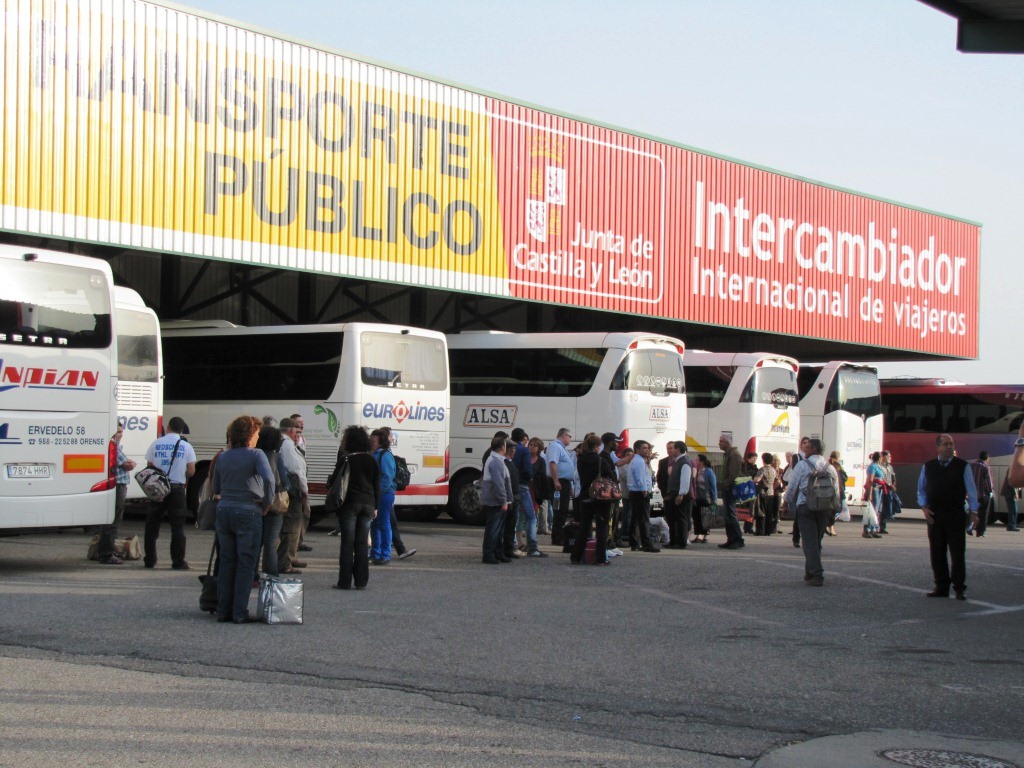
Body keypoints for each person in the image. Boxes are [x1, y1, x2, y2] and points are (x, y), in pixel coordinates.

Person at [211, 415, 274, 623]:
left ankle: (223, 610)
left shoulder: (223, 456)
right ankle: (239, 612)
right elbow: (269, 479)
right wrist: (266, 502)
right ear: (250, 435)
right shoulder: (256, 455)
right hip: (248, 510)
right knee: (246, 563)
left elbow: (216, 488)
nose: (257, 437)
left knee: (227, 561)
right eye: (256, 433)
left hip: (224, 510)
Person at [918, 434, 979, 600]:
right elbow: (921, 489)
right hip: (935, 514)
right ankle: (941, 586)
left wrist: (974, 512)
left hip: (955, 513)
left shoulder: (962, 466)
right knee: (937, 551)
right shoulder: (928, 466)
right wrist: (924, 507)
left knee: (957, 553)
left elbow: (971, 491)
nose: (949, 447)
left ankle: (959, 588)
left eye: (951, 444)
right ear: (937, 447)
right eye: (945, 444)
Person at [784, 438, 840, 587]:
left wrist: (787, 501)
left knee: (809, 542)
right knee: (816, 540)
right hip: (824, 508)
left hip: (805, 506)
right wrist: (834, 509)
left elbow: (792, 487)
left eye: (807, 448)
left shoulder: (802, 465)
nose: (805, 451)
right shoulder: (830, 467)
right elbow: (836, 491)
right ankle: (810, 572)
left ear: (814, 449)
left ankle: (816, 574)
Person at [143, 416, 196, 570]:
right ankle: (178, 561)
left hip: (158, 488)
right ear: (182, 430)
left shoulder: (156, 443)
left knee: (152, 525)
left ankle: (150, 559)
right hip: (177, 488)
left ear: (168, 427)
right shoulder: (186, 446)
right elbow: (192, 471)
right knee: (177, 527)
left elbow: (149, 466)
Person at [331, 425, 380, 590]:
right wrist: (376, 506)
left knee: (347, 543)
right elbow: (376, 485)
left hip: (350, 504)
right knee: (361, 543)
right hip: (368, 504)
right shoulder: (372, 460)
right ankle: (361, 581)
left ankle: (344, 581)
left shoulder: (346, 459)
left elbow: (334, 481)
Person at [572, 434, 617, 564]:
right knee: (601, 527)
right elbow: (612, 477)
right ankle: (600, 558)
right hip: (600, 497)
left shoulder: (581, 460)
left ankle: (575, 556)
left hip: (585, 495)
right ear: (596, 446)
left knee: (584, 526)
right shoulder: (600, 461)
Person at [95, 425, 136, 565]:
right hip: (117, 485)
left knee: (113, 520)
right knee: (112, 520)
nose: (120, 435)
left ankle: (107, 551)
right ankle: (107, 553)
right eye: (118, 432)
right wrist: (130, 463)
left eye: (121, 432)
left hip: (117, 484)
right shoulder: (113, 446)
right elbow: (128, 464)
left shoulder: (116, 446)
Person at [276, 417, 308, 575]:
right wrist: (305, 489)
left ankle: (290, 556)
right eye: (297, 432)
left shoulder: (283, 442)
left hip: (288, 488)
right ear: (290, 430)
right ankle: (286, 561)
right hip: (293, 489)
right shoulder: (287, 444)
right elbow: (296, 469)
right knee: (291, 527)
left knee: (291, 526)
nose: (298, 435)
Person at [255, 425, 286, 577]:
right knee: (271, 541)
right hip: (274, 504)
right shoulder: (277, 457)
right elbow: (285, 481)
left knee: (256, 541)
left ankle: (252, 573)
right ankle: (271, 574)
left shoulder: (255, 455)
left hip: (256, 502)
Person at [481, 436, 513, 564]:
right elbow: (499, 483)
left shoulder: (496, 459)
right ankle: (489, 554)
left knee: (498, 529)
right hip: (495, 500)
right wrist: (503, 500)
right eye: (506, 445)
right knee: (493, 529)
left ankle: (498, 552)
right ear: (502, 447)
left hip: (495, 500)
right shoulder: (496, 461)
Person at [371, 427, 398, 565]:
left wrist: (378, 493)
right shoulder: (375, 454)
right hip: (378, 494)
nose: (372, 443)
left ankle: (385, 554)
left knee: (383, 523)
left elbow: (387, 477)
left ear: (381, 442)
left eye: (374, 441)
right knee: (375, 524)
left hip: (384, 494)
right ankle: (375, 552)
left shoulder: (385, 455)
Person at [547, 427, 576, 546]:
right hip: (559, 482)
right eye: (570, 436)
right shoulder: (555, 446)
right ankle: (557, 537)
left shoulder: (561, 448)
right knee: (559, 510)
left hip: (564, 482)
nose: (570, 439)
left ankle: (559, 536)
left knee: (563, 510)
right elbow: (553, 463)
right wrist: (556, 481)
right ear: (564, 435)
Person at [627, 440, 657, 552]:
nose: (647, 450)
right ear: (637, 449)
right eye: (644, 448)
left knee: (635, 518)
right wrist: (644, 491)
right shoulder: (638, 462)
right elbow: (640, 478)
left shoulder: (639, 461)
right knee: (644, 519)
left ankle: (634, 542)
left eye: (648, 448)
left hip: (636, 493)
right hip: (640, 492)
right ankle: (646, 543)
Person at [663, 440, 692, 549]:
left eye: (673, 448)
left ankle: (680, 541)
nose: (671, 450)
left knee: (680, 518)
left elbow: (685, 480)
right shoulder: (678, 461)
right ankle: (673, 540)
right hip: (674, 494)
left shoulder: (684, 462)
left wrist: (681, 494)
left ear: (678, 449)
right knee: (672, 518)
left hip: (679, 495)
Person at [717, 433, 745, 550]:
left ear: (727, 443)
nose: (719, 443)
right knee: (727, 514)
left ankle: (738, 539)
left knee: (731, 514)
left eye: (721, 441)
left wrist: (726, 484)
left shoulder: (734, 455)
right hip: (727, 488)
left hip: (731, 488)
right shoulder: (728, 455)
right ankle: (731, 539)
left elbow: (734, 473)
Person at [692, 453, 717, 543]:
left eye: (697, 460)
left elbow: (713, 486)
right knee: (696, 515)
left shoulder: (708, 471)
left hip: (706, 496)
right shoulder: (696, 470)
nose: (695, 461)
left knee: (706, 516)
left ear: (701, 461)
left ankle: (705, 535)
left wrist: (714, 498)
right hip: (697, 496)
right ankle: (698, 534)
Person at [969, 451, 994, 537]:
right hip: (982, 495)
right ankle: (980, 532)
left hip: (971, 495)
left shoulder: (970, 466)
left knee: (972, 511)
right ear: (987, 458)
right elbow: (988, 482)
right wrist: (990, 492)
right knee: (983, 514)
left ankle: (970, 528)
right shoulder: (986, 467)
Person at [754, 452, 778, 537]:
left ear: (763, 460)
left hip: (762, 492)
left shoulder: (762, 469)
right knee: (769, 512)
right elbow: (776, 480)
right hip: (771, 492)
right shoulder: (773, 470)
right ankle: (768, 530)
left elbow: (757, 479)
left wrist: (754, 479)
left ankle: (760, 530)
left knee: (761, 511)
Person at [826, 450, 848, 537]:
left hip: (829, 491)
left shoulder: (828, 465)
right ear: (838, 458)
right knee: (836, 510)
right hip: (839, 491)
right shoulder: (838, 466)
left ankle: (830, 528)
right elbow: (845, 478)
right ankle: (829, 526)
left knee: (831, 510)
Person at [863, 451, 885, 539]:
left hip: (879, 489)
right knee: (871, 511)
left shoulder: (877, 466)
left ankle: (874, 529)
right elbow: (870, 481)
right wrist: (870, 493)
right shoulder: (872, 467)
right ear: (879, 458)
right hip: (874, 490)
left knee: (877, 510)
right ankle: (867, 530)